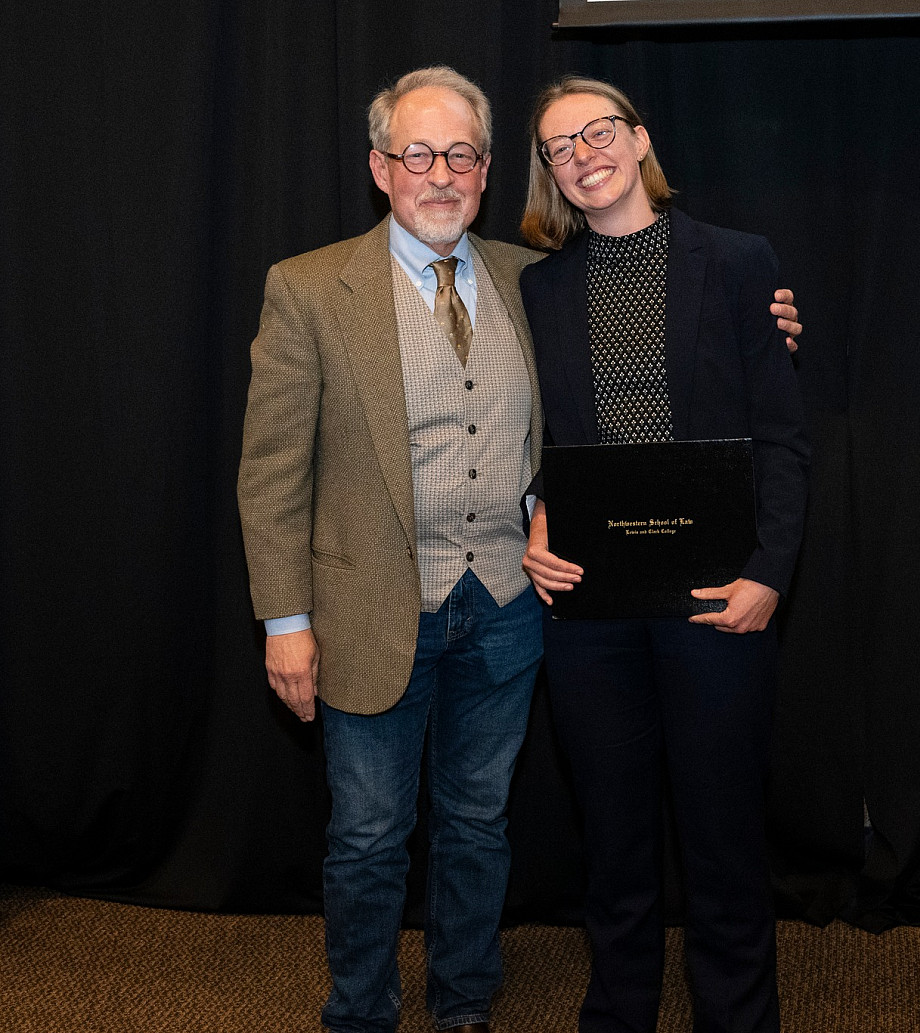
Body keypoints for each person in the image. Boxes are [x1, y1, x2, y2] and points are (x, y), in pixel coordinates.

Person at [238, 66, 802, 1033]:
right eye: (419, 154)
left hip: (590, 603)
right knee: (395, 837)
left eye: (461, 154)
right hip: (467, 610)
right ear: (382, 168)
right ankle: (386, 1014)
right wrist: (287, 620)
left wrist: (767, 565)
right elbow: (277, 469)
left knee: (517, 825)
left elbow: (742, 431)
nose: (441, 173)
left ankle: (504, 1007)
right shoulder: (377, 287)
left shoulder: (588, 273)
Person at [519, 77, 810, 1033]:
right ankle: (619, 1013)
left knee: (723, 843)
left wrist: (770, 572)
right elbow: (532, 437)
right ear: (549, 172)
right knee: (615, 843)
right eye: (560, 147)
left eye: (598, 132)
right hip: (590, 607)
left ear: (639, 140)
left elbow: (782, 438)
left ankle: (737, 1019)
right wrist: (535, 515)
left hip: (717, 598)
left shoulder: (738, 265)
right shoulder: (540, 286)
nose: (583, 154)